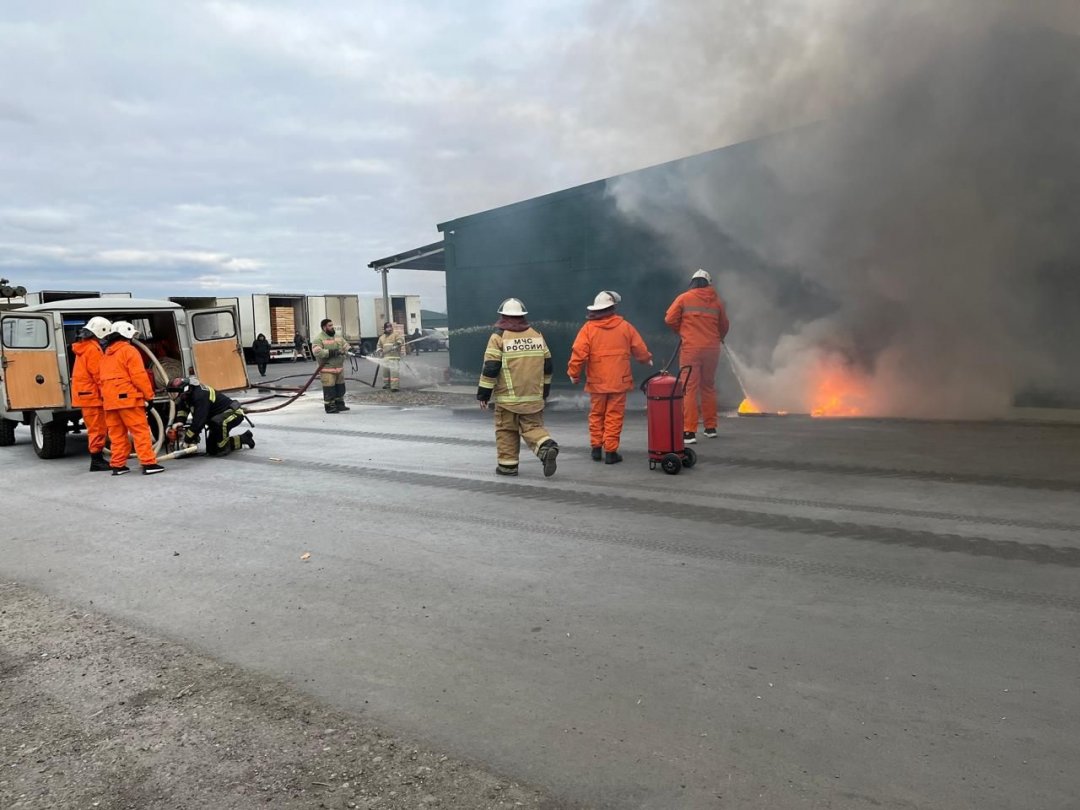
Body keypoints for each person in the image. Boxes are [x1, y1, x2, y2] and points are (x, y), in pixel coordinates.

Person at [567, 291, 652, 464]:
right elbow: (639, 348)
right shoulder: (625, 326)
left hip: (597, 383)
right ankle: (611, 452)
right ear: (612, 308)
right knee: (614, 415)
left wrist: (573, 373)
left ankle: (596, 449)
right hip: (619, 381)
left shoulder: (588, 329)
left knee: (596, 414)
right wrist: (646, 359)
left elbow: (578, 353)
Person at [477, 298, 559, 477]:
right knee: (533, 428)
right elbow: (548, 366)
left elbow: (490, 368)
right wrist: (544, 392)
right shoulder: (537, 335)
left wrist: (483, 395)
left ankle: (508, 467)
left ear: (503, 316)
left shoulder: (498, 337)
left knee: (506, 430)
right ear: (522, 316)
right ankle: (545, 447)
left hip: (507, 400)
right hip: (533, 398)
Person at [664, 268, 730, 444]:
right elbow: (724, 325)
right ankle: (710, 428)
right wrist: (718, 338)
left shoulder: (684, 298)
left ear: (692, 282)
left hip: (691, 350)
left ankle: (689, 432)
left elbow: (669, 319)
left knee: (689, 388)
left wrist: (683, 331)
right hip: (712, 350)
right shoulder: (717, 302)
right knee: (708, 386)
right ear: (709, 283)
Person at [98, 321, 164, 476]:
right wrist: (149, 396)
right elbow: (139, 376)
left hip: (110, 402)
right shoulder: (129, 351)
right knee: (140, 432)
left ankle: (118, 465)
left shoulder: (105, 354)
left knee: (117, 435)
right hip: (128, 400)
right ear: (127, 334)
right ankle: (148, 463)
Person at [166, 377, 254, 455]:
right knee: (212, 449)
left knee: (220, 442)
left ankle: (224, 448)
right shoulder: (186, 395)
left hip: (233, 413)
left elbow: (199, 422)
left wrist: (186, 440)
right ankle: (244, 438)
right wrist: (180, 421)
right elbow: (183, 410)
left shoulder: (199, 396)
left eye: (174, 393)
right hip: (217, 418)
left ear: (184, 390)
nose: (172, 396)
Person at [71, 316, 114, 472]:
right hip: (92, 395)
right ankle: (96, 461)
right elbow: (98, 375)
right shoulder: (93, 349)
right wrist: (109, 393)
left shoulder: (84, 347)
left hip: (86, 394)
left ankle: (97, 458)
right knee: (97, 429)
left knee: (96, 428)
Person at [311, 318, 351, 413]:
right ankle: (330, 407)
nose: (332, 327)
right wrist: (332, 352)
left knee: (340, 388)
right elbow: (317, 352)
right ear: (324, 327)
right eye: (330, 325)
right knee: (329, 389)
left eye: (332, 325)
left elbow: (345, 345)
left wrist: (349, 349)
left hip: (339, 368)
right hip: (327, 369)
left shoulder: (337, 337)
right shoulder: (319, 338)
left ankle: (340, 404)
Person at [376, 322, 405, 391]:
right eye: (388, 327)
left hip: (394, 358)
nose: (389, 329)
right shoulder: (382, 338)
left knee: (394, 373)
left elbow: (401, 339)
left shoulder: (395, 335)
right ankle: (387, 385)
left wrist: (398, 343)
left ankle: (395, 387)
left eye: (390, 327)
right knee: (385, 373)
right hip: (385, 358)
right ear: (385, 329)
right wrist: (380, 351)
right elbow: (379, 346)